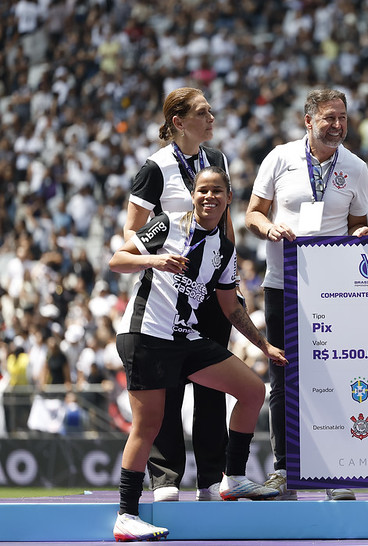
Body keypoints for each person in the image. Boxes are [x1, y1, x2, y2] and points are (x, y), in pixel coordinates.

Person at [110, 167, 287, 541]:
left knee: (253, 390)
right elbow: (118, 260)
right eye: (203, 190)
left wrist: (265, 346)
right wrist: (154, 260)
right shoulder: (165, 225)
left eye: (217, 191)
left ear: (228, 198)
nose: (209, 197)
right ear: (193, 194)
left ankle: (233, 478)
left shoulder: (223, 248)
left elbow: (230, 307)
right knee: (148, 425)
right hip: (145, 335)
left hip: (186, 339)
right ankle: (126, 514)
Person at [245, 89, 368, 501]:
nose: (337, 125)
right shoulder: (279, 158)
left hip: (334, 289)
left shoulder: (355, 167)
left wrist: (360, 235)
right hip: (283, 283)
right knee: (283, 378)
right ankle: (286, 471)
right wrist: (270, 229)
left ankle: (335, 473)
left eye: (342, 118)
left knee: (333, 376)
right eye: (329, 118)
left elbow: (357, 225)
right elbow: (252, 213)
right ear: (308, 121)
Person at [124, 87, 232, 503]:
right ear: (178, 122)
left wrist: (231, 279)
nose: (211, 119)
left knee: (213, 385)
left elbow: (226, 221)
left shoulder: (217, 160)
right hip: (170, 293)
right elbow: (131, 232)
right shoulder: (155, 167)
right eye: (203, 113)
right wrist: (155, 262)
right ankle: (166, 477)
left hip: (210, 288)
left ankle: (211, 476)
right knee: (167, 383)